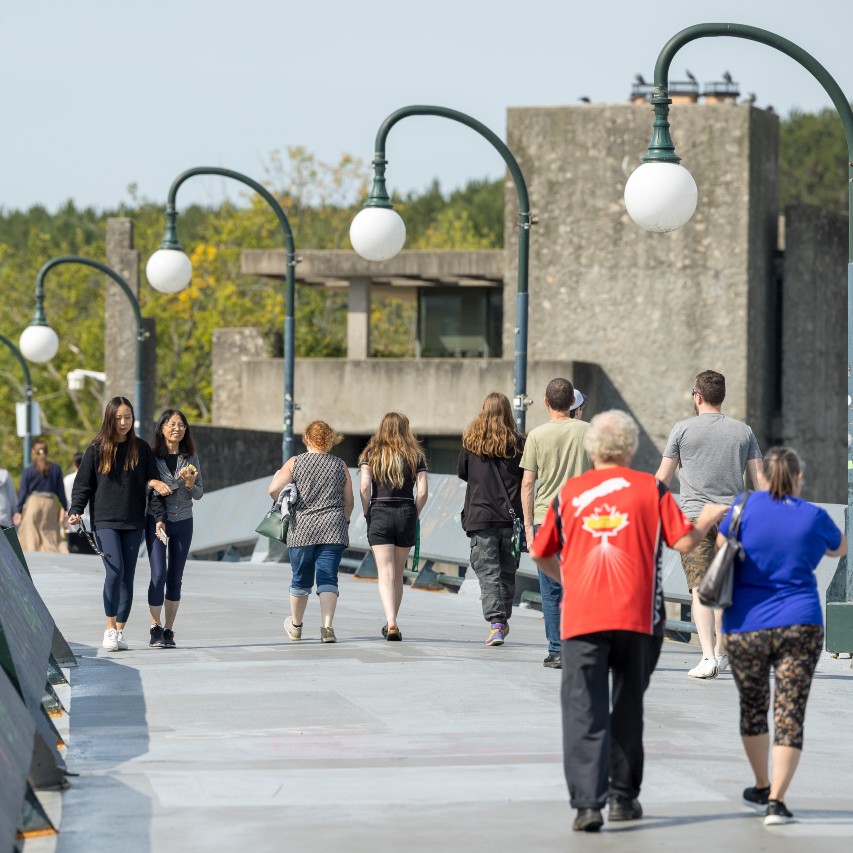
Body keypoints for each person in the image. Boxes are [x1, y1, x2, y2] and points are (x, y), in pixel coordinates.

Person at [531, 410, 728, 832]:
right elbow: (683, 540)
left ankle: (587, 805)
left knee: (584, 706)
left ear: (593, 449)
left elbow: (540, 550)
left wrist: (567, 578)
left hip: (583, 617)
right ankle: (623, 797)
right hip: (638, 616)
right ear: (631, 448)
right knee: (628, 704)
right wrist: (708, 518)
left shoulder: (570, 493)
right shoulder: (650, 489)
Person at [718, 446, 845, 826]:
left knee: (753, 706)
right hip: (800, 623)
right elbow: (839, 548)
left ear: (764, 477)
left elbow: (723, 546)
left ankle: (760, 783)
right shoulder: (813, 516)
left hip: (745, 625)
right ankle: (777, 800)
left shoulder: (743, 508)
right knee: (789, 712)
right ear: (798, 478)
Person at [655, 369, 766, 679]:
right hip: (735, 519)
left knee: (701, 589)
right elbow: (761, 483)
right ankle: (721, 651)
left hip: (694, 520)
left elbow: (662, 479)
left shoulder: (682, 430)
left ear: (698, 396)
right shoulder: (744, 432)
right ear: (722, 397)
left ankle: (707, 657)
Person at [67, 397, 171, 652]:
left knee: (127, 577)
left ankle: (121, 631)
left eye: (128, 417)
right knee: (114, 572)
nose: (123, 422)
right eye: (118, 418)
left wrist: (159, 517)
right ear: (110, 419)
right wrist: (76, 510)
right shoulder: (96, 448)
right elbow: (83, 485)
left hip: (133, 521)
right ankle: (110, 628)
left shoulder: (141, 448)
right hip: (104, 521)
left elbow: (153, 485)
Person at [520, 378, 590, 668]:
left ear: (546, 402)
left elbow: (527, 484)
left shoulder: (536, 435)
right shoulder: (590, 432)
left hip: (546, 519)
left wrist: (527, 527)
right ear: (573, 404)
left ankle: (558, 649)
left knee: (551, 590)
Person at [269, 420, 353, 644]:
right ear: (331, 440)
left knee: (300, 578)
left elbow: (274, 489)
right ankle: (327, 628)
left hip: (302, 528)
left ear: (306, 439)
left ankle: (296, 626)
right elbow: (349, 500)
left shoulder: (296, 462)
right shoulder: (339, 465)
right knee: (328, 578)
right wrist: (345, 520)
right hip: (333, 528)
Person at [457, 392, 525, 646]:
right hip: (511, 519)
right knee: (507, 572)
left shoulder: (471, 442)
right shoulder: (520, 443)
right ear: (508, 412)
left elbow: (463, 473)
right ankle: (502, 620)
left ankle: (497, 624)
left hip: (480, 516)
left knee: (488, 573)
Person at [359, 412, 428, 641]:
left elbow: (364, 488)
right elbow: (423, 492)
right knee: (398, 573)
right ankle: (393, 622)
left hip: (379, 512)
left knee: (384, 572)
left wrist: (367, 511)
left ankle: (391, 622)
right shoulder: (415, 455)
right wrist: (414, 514)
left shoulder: (370, 454)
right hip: (406, 512)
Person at [145, 409, 203, 650]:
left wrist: (190, 484)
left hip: (184, 521)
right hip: (157, 521)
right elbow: (143, 483)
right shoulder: (151, 456)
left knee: (175, 578)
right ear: (162, 428)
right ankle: (154, 626)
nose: (177, 428)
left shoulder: (190, 457)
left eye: (181, 425)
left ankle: (168, 629)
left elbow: (199, 493)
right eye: (172, 424)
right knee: (158, 575)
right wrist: (155, 483)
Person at [14, 440, 68, 552]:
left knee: (30, 528)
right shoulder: (56, 469)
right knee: (49, 529)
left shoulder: (29, 470)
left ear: (34, 452)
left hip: (34, 502)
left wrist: (18, 511)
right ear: (47, 452)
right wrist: (65, 507)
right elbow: (60, 490)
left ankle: (32, 549)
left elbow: (23, 492)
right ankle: (52, 549)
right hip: (50, 503)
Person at [63, 453, 96, 554]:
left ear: (74, 464)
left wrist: (62, 518)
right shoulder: (92, 479)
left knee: (74, 554)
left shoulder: (67, 479)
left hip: (72, 522)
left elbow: (64, 500)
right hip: (89, 523)